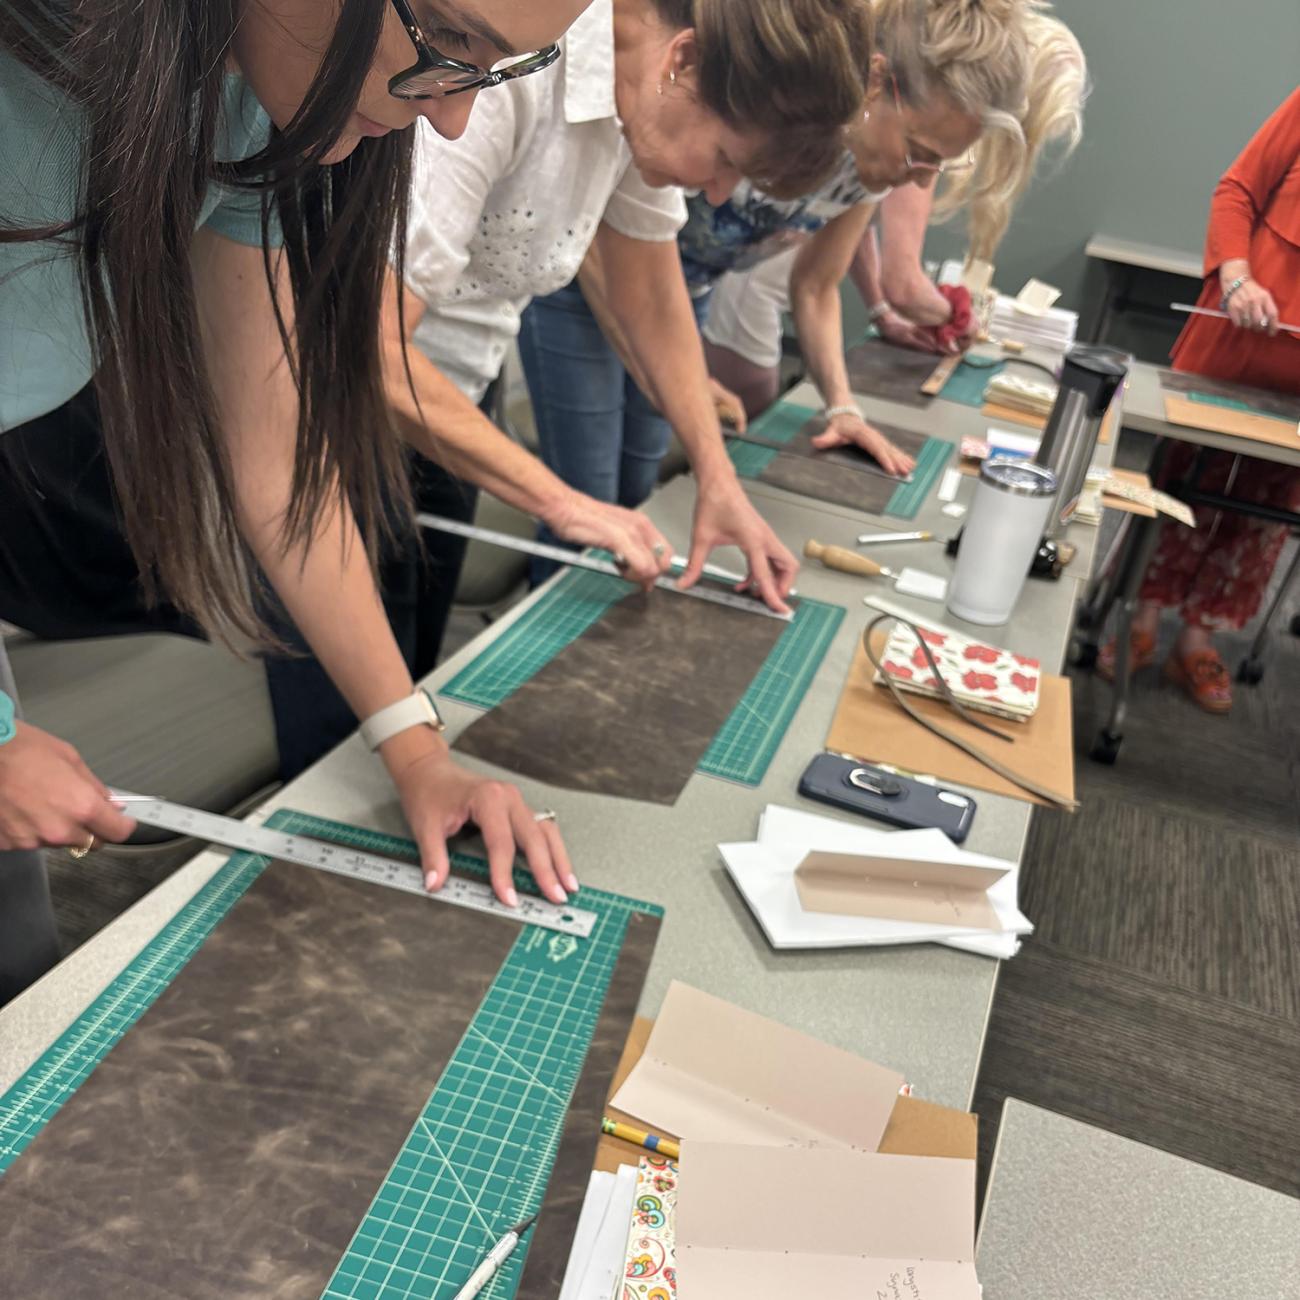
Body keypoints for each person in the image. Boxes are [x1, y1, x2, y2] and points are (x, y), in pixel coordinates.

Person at [0, 0, 598, 1005]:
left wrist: (415, 746)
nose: (449, 122)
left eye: (494, 71)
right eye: (450, 44)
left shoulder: (252, 104)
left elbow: (277, 468)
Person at [396, 0, 873, 599]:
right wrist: (563, 503)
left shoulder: (637, 91)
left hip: (454, 395)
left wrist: (716, 477)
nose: (721, 195)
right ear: (686, 59)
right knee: (354, 671)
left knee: (416, 632)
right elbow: (366, 349)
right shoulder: (513, 66)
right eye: (726, 159)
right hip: (346, 407)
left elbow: (649, 292)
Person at [693, 0, 1087, 462]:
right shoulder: (819, 114)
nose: (924, 178)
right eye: (921, 153)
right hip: (629, 278)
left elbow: (818, 283)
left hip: (687, 290)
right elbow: (646, 232)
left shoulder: (876, 156)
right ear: (876, 86)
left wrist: (843, 406)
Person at [1098, 89, 1300, 713]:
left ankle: (1198, 634)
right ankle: (1139, 612)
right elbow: (1236, 192)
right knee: (1179, 483)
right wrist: (1237, 278)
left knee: (1263, 512)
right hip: (1230, 345)